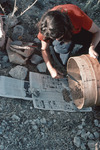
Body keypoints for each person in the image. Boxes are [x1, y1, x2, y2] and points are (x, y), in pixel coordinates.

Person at [37, 4, 100, 79]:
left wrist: (92, 47)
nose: (57, 40)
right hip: (66, 32)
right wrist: (51, 69)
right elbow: (44, 49)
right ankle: (58, 50)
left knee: (98, 47)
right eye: (54, 38)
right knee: (63, 54)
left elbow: (97, 31)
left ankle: (85, 50)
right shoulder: (46, 27)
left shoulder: (77, 16)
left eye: (58, 38)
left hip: (78, 30)